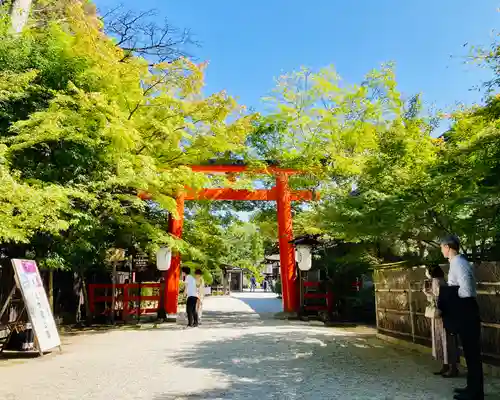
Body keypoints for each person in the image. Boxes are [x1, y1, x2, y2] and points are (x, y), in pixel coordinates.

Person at [440, 235, 483, 400]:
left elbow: (467, 291)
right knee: (469, 351)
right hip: (463, 309)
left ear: (448, 247)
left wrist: (449, 294)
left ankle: (476, 392)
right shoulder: (456, 263)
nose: (442, 250)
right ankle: (471, 387)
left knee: (472, 352)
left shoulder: (459, 263)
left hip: (467, 309)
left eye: (442, 247)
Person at [423, 265, 459, 377]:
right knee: (445, 340)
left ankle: (451, 367)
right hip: (444, 313)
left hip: (441, 313)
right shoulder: (441, 280)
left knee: (445, 340)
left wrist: (427, 291)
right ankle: (447, 365)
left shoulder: (435, 281)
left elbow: (435, 296)